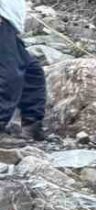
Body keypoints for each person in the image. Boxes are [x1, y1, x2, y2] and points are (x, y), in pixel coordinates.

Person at [0, 0, 45, 141]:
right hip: (3, 21)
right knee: (10, 75)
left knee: (33, 72)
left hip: (9, 24)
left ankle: (32, 127)